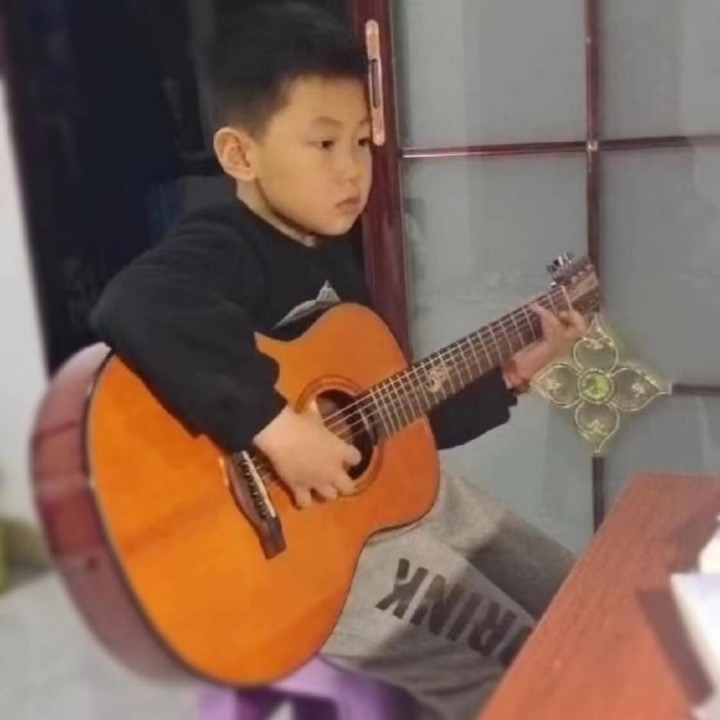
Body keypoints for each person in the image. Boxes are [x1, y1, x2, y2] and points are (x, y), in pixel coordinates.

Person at [91, 4, 587, 718]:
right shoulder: (225, 243)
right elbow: (138, 300)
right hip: (309, 560)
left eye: (361, 141)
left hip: (396, 509)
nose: (352, 169)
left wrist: (512, 373)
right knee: (522, 670)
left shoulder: (332, 260)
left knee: (578, 598)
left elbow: (392, 418)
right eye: (323, 143)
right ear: (240, 155)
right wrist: (276, 428)